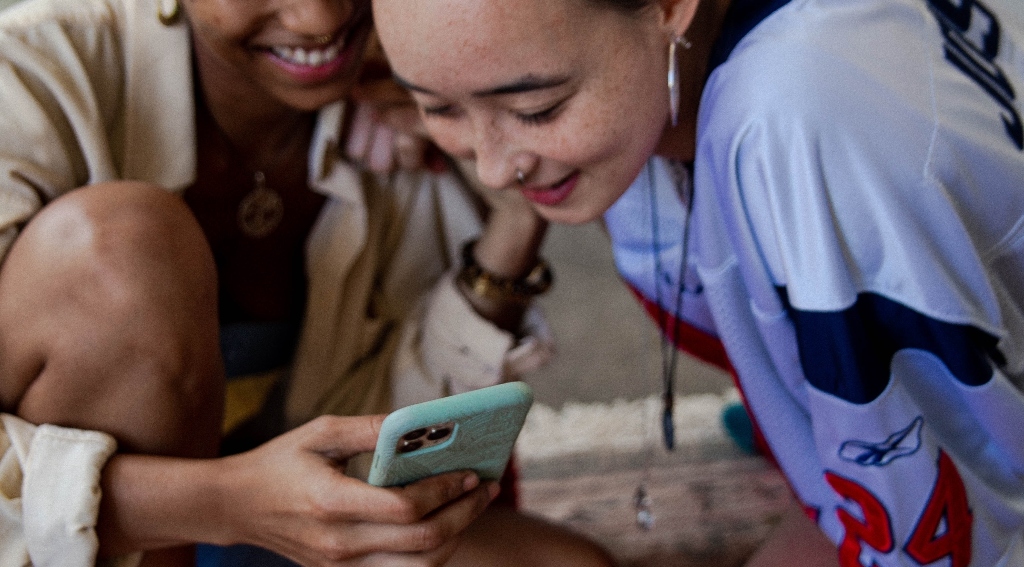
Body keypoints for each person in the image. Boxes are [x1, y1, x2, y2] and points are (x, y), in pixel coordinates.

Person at [370, 0, 1024, 565]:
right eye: (437, 105)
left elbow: (937, 523)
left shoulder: (790, 125)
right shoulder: (659, 83)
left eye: (536, 108)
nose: (490, 166)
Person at [0, 0, 618, 565]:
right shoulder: (25, 80)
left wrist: (514, 208)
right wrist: (223, 502)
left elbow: (385, 437)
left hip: (284, 525)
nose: (321, 17)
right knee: (123, 248)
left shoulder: (409, 93)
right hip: (77, 538)